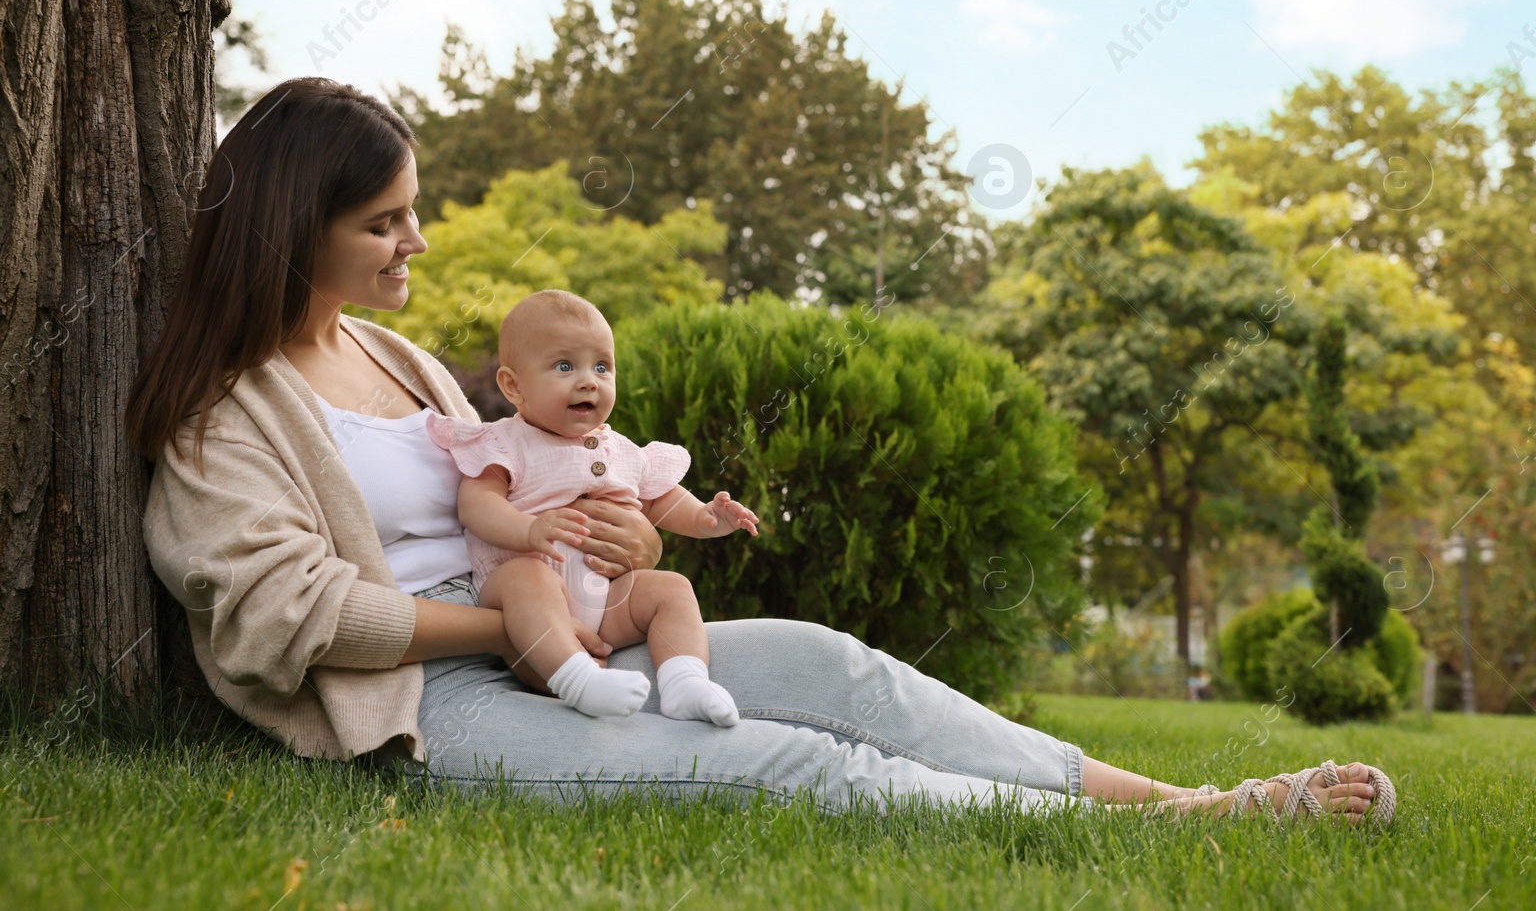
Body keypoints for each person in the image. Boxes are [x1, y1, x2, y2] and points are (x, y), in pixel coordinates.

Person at [127, 77, 1391, 824]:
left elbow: (513, 480)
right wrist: (525, 630)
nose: (416, 244)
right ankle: (1175, 843)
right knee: (786, 762)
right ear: (300, 226)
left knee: (846, 674)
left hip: (575, 635)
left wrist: (616, 545)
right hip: (433, 698)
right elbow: (279, 615)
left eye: (416, 215)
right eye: (384, 221)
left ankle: (1186, 804)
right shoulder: (221, 416)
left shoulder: (393, 359)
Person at [426, 289, 758, 725]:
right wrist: (528, 531)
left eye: (602, 367)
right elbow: (477, 504)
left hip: (606, 605)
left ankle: (685, 682)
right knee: (526, 576)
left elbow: (658, 498)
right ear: (513, 386)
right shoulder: (506, 443)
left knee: (672, 588)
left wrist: (706, 517)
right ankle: (577, 679)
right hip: (524, 618)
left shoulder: (617, 448)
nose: (589, 381)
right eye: (565, 366)